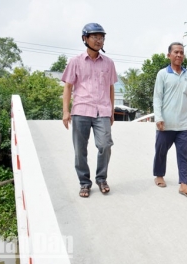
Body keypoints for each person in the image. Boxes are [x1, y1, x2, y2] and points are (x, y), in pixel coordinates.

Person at [61, 23, 117, 198]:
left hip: (103, 111)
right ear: (85, 38)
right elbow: (68, 87)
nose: (99, 40)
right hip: (81, 110)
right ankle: (84, 183)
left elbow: (111, 88)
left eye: (101, 37)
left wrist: (112, 110)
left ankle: (101, 178)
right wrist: (65, 111)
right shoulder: (75, 61)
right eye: (95, 37)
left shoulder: (108, 63)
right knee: (80, 150)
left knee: (105, 145)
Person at [153, 42, 187, 199]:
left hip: (183, 123)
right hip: (166, 123)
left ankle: (184, 184)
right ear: (169, 55)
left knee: (184, 154)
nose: (179, 55)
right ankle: (159, 174)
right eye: (176, 52)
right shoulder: (162, 74)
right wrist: (158, 117)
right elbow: (157, 97)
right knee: (161, 150)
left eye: (181, 52)